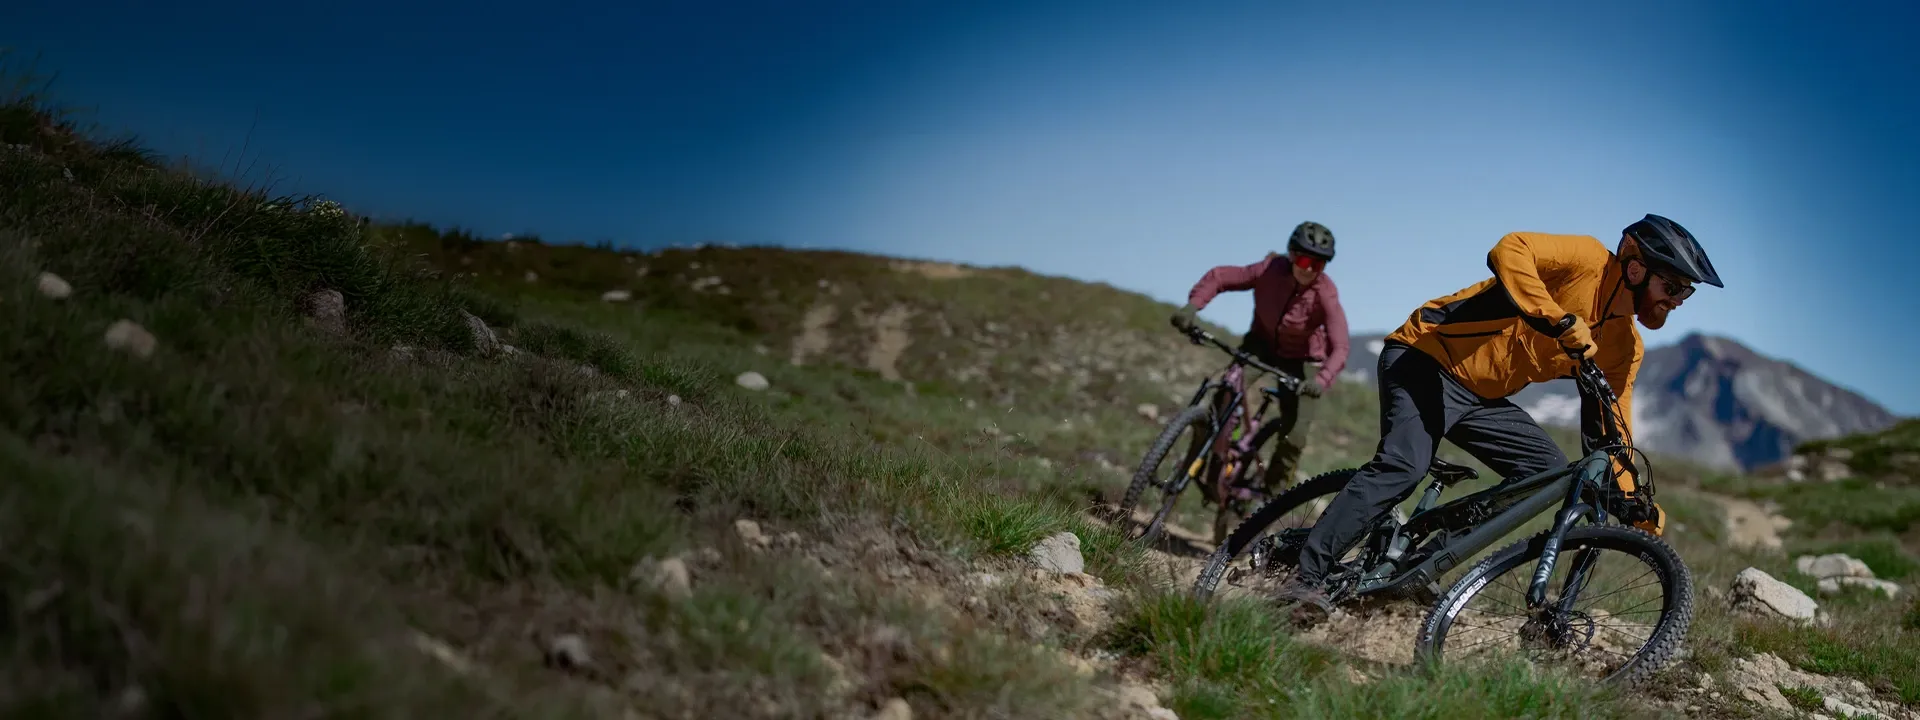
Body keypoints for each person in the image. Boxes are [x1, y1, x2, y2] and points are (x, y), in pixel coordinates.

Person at [1271, 213, 1722, 620]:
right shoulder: (1587, 259)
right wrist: (1556, 317)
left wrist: (1631, 494)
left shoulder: (1625, 345)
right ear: (1637, 268)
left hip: (1480, 396)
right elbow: (1511, 248)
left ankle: (1412, 565)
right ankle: (1304, 580)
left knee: (1546, 473)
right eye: (1674, 286)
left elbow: (1613, 421)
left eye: (1687, 291)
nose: (1680, 299)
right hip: (1425, 356)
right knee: (1404, 466)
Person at [1171, 220, 1351, 543]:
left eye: (1319, 264)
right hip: (1261, 344)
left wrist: (1321, 381)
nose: (1311, 270)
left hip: (1302, 361)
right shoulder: (1270, 269)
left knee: (1294, 435)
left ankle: (1271, 500)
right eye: (1305, 261)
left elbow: (1340, 347)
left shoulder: (1326, 292)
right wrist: (1192, 307)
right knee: (1223, 396)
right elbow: (1221, 277)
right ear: (1292, 254)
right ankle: (1200, 463)